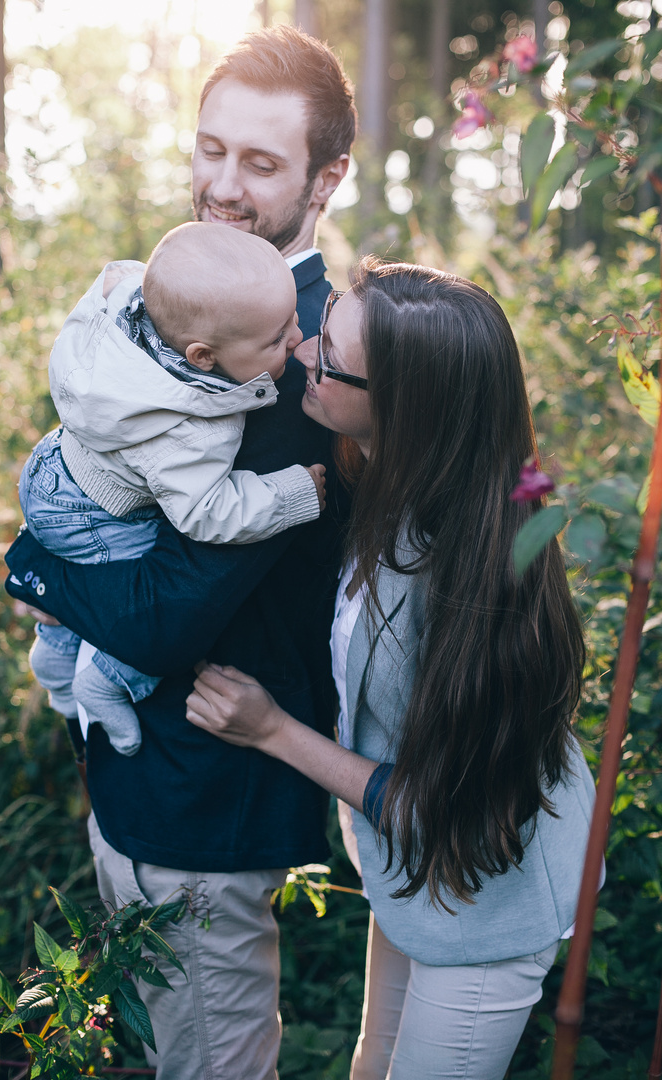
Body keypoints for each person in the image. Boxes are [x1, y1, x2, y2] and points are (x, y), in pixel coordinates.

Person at [5, 24, 357, 1080]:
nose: (223, 185)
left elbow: (165, 616)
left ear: (326, 178)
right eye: (211, 149)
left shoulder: (302, 359)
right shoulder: (184, 299)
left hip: (208, 786)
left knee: (213, 1061)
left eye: (261, 162)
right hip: (143, 774)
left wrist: (31, 563)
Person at [185, 259, 597, 1080]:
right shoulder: (401, 478)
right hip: (412, 875)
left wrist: (270, 731)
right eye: (326, 318)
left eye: (330, 355)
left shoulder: (470, 585)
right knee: (371, 1063)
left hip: (485, 905)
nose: (303, 351)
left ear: (404, 407)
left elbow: (448, 810)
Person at [19, 222, 325, 756]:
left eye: (293, 319)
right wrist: (294, 492)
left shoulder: (128, 311)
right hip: (95, 515)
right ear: (203, 356)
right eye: (277, 339)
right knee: (134, 589)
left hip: (49, 470)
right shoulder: (188, 430)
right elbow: (207, 513)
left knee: (84, 581)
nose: (299, 339)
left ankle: (53, 648)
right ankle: (110, 677)